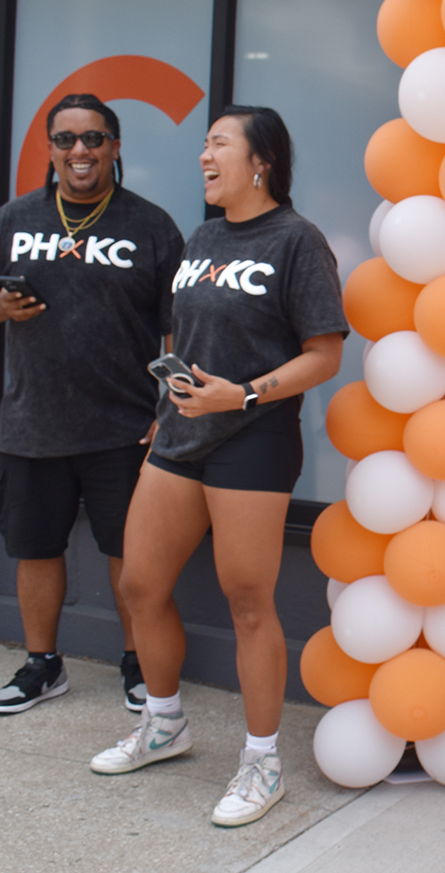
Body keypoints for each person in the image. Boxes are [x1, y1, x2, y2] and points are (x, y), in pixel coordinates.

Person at [88, 106, 345, 828]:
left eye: (218, 144)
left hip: (252, 438)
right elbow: (186, 329)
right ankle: (164, 723)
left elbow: (325, 353)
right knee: (140, 583)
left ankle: (262, 763)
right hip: (177, 434)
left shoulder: (297, 240)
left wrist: (247, 392)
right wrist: (169, 396)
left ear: (260, 160)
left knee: (248, 601)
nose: (204, 156)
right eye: (204, 145)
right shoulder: (200, 236)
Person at [0, 93, 184, 715]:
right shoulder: (15, 217)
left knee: (129, 555)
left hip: (124, 426)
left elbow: (179, 327)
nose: (79, 151)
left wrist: (166, 407)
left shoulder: (151, 225)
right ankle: (43, 665)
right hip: (32, 423)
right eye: (66, 139)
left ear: (115, 147)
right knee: (35, 550)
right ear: (51, 149)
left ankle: (139, 664)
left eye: (93, 139)